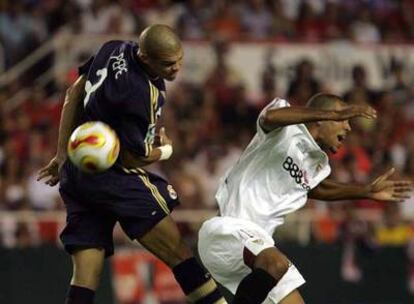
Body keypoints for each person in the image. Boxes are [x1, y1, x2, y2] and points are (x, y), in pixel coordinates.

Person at [37, 24, 226, 304]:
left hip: (79, 173)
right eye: (168, 64)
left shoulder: (112, 47)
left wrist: (62, 154)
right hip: (113, 179)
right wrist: (166, 150)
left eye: (179, 61)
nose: (176, 69)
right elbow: (129, 157)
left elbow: (73, 94)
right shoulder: (141, 94)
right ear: (147, 58)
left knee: (85, 276)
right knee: (178, 253)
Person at [198, 93, 413, 304]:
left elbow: (317, 188)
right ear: (325, 118)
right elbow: (269, 118)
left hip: (253, 254)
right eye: (343, 120)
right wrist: (332, 113)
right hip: (228, 231)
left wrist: (366, 191)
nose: (348, 127)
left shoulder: (318, 163)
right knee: (277, 264)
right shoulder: (286, 126)